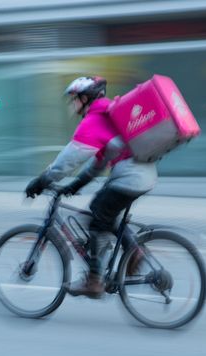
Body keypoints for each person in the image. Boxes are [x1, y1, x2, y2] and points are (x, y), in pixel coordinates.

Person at [25, 76, 157, 298]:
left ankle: (95, 280)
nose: (72, 104)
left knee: (96, 218)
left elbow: (68, 161)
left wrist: (41, 181)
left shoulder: (94, 120)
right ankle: (133, 251)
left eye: (74, 99)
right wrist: (76, 184)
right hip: (143, 175)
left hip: (130, 177)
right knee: (105, 212)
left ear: (85, 98)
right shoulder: (110, 115)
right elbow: (100, 161)